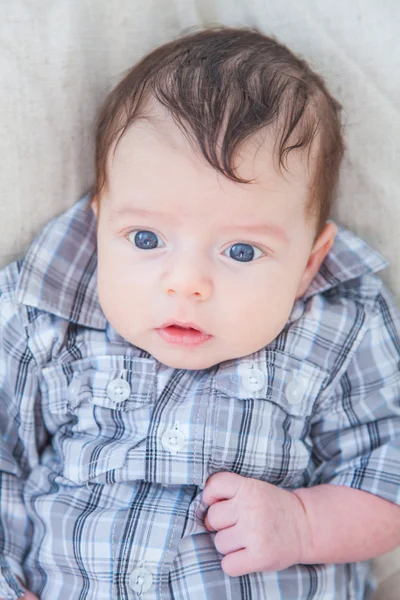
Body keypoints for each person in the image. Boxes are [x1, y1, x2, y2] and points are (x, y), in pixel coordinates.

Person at [0, 26, 399, 600]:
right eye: (144, 238)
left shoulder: (336, 324)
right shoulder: (46, 314)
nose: (186, 284)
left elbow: (389, 461)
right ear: (97, 226)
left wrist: (305, 524)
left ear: (309, 264)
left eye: (240, 251)